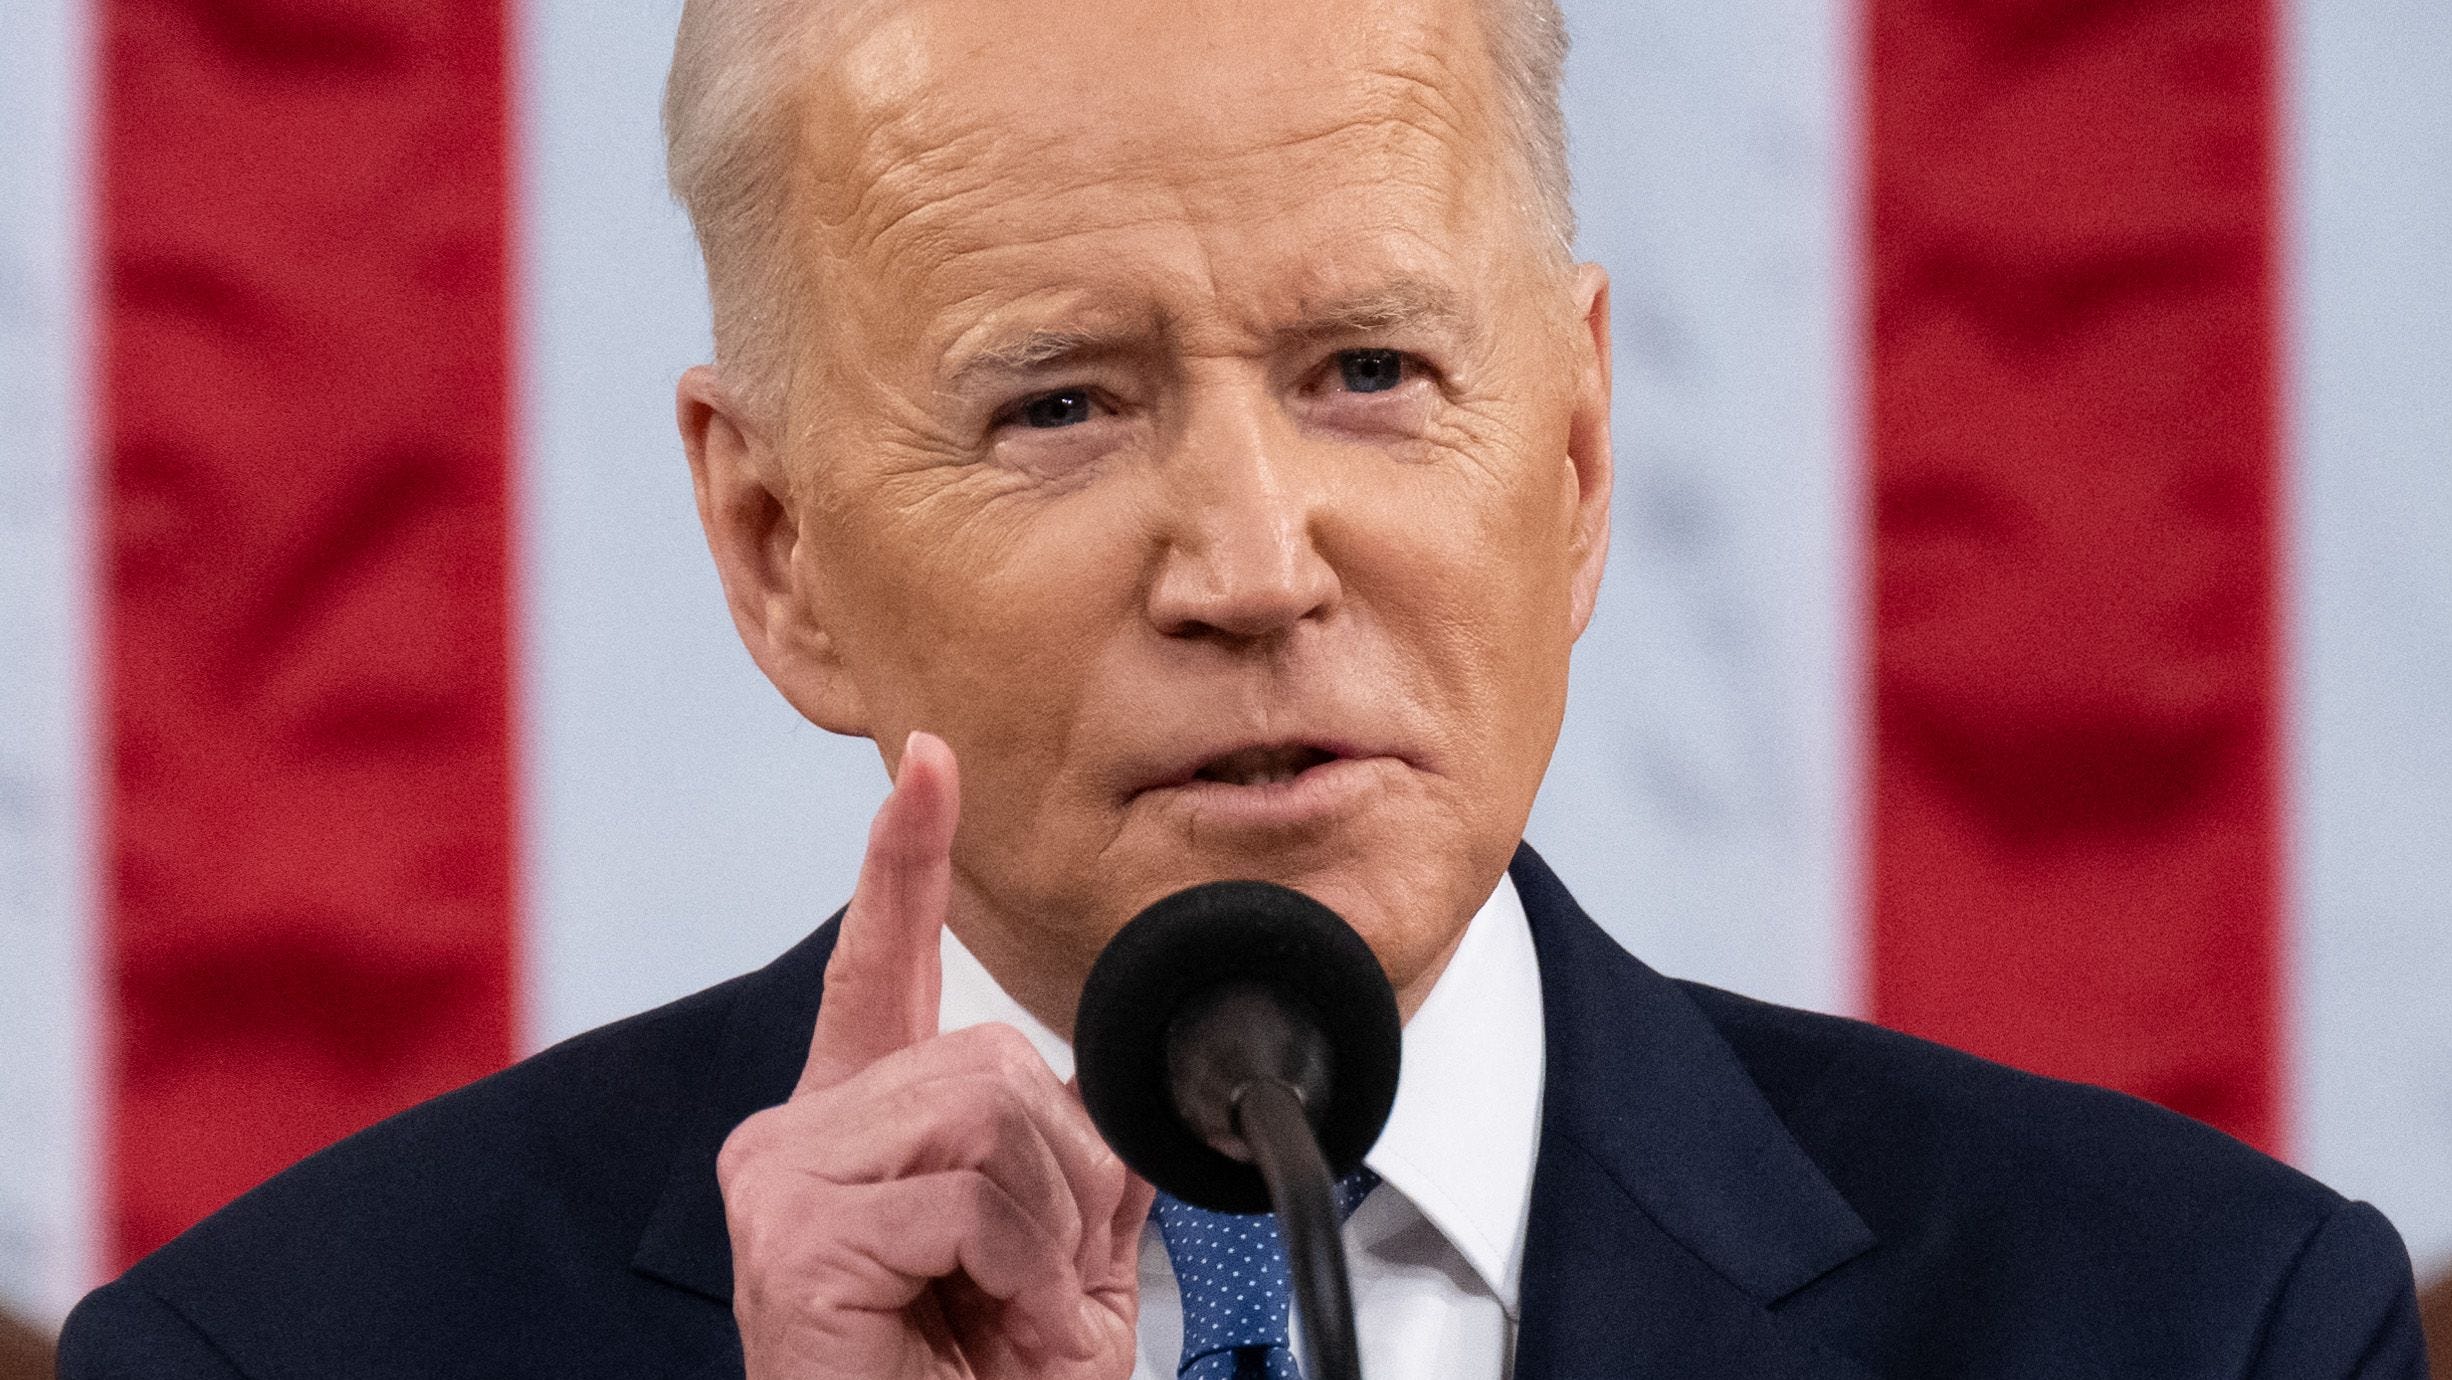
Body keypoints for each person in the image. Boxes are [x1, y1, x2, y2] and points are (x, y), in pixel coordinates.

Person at [57, 0, 2430, 1375]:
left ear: (1577, 453)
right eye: (1059, 405)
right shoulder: (286, 1358)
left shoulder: (2198, 1326)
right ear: (777, 551)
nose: (1255, 563)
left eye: (1370, 368)